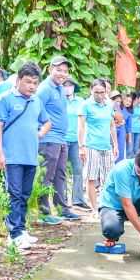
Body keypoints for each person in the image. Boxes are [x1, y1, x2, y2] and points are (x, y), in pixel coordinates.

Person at [0, 62, 51, 252]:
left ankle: (21, 229)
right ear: (18, 79)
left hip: (30, 156)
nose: (32, 86)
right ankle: (14, 234)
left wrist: (39, 134)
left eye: (35, 83)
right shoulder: (5, 98)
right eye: (28, 82)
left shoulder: (36, 101)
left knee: (25, 194)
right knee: (14, 194)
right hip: (12, 157)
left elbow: (47, 122)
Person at [35, 55, 80, 224]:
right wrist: (39, 132)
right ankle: (44, 212)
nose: (63, 74)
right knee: (46, 176)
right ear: (50, 70)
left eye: (66, 71)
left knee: (60, 175)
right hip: (48, 139)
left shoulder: (60, 88)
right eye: (59, 70)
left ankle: (62, 209)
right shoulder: (45, 88)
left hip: (61, 139)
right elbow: (34, 109)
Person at [78, 79, 119, 212]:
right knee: (91, 178)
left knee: (108, 179)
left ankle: (105, 206)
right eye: (96, 92)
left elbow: (112, 126)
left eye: (102, 92)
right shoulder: (85, 105)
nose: (99, 95)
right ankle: (95, 209)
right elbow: (81, 127)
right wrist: (81, 147)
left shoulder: (109, 105)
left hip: (107, 146)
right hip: (91, 146)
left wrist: (116, 145)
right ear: (91, 91)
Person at [62, 78, 88, 210]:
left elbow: (85, 122)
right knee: (61, 170)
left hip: (77, 141)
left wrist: (84, 143)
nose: (67, 87)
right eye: (65, 85)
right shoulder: (59, 100)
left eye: (70, 85)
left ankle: (78, 200)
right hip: (62, 139)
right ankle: (63, 200)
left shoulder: (81, 101)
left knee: (78, 170)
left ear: (74, 87)